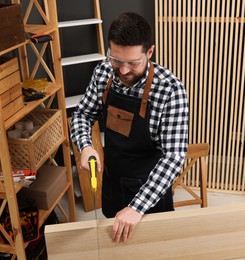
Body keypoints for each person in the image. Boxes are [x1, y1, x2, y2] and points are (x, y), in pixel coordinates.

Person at [70, 12, 189, 243]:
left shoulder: (170, 90)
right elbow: (82, 114)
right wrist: (85, 146)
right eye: (116, 60)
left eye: (132, 63)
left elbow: (174, 156)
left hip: (151, 191)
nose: (123, 71)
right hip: (113, 182)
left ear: (150, 52)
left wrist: (137, 207)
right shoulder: (103, 72)